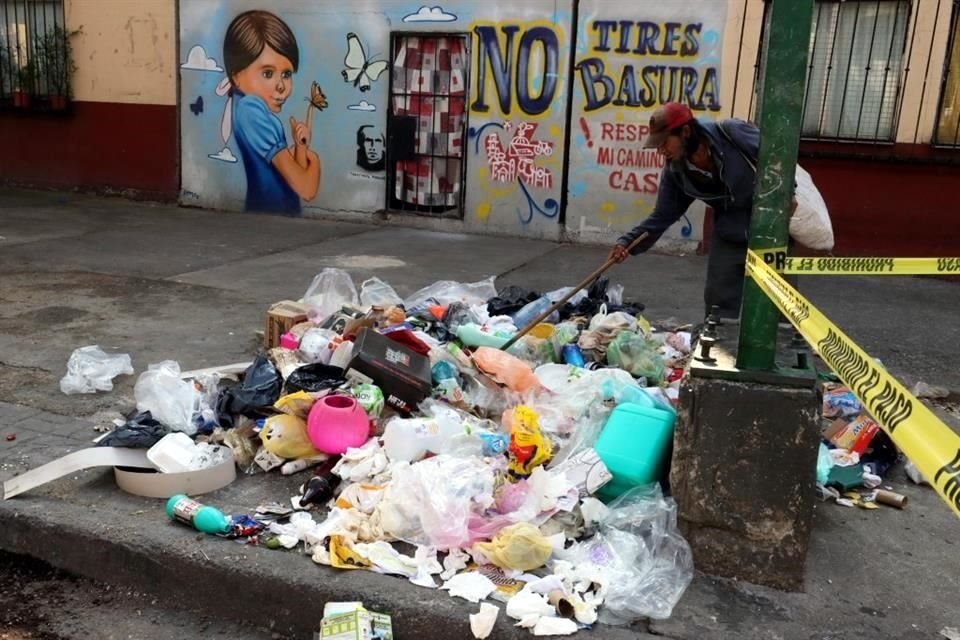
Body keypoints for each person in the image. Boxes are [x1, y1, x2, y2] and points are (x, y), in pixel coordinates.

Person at [609, 102, 791, 320]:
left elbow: (777, 158)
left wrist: (790, 195)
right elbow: (661, 217)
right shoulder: (676, 171)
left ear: (685, 131)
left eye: (665, 142)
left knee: (779, 309)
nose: (661, 150)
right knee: (718, 309)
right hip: (729, 233)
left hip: (770, 229)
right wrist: (627, 243)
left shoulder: (732, 133)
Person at [223, 10, 321, 215]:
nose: (281, 86)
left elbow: (287, 175)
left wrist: (301, 148)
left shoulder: (246, 108)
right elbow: (306, 188)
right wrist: (315, 160)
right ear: (236, 76)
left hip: (276, 216)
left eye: (286, 74)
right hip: (272, 215)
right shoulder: (251, 112)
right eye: (267, 73)